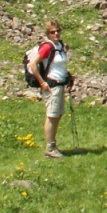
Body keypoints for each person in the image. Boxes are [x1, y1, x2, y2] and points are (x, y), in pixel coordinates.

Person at [28, 19, 73, 158]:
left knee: (57, 115)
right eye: (52, 32)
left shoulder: (59, 45)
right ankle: (50, 147)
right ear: (48, 33)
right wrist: (42, 82)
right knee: (52, 115)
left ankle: (52, 146)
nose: (56, 34)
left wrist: (68, 76)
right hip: (51, 85)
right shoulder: (47, 46)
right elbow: (33, 64)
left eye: (58, 31)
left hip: (60, 83)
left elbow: (59, 65)